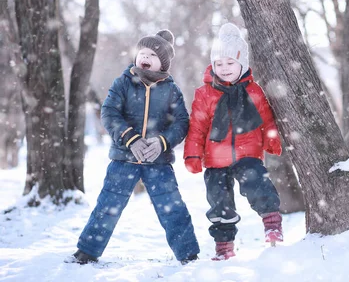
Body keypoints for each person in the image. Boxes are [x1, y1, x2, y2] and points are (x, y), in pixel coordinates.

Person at [69, 30, 200, 265]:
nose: (145, 57)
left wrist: (161, 142)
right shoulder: (123, 83)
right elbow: (109, 113)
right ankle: (87, 250)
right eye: (142, 52)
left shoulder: (171, 90)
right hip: (123, 158)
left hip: (158, 162)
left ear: (163, 63)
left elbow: (182, 123)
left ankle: (188, 254)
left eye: (152, 54)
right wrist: (130, 138)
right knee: (108, 204)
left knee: (172, 207)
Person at [184, 23, 283, 261]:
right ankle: (224, 246)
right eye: (219, 63)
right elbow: (197, 127)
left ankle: (271, 223)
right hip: (215, 159)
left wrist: (272, 140)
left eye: (230, 63)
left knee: (258, 184)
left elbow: (267, 119)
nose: (225, 68)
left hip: (248, 154)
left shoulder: (254, 90)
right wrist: (192, 154)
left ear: (242, 64)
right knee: (219, 204)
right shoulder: (205, 93)